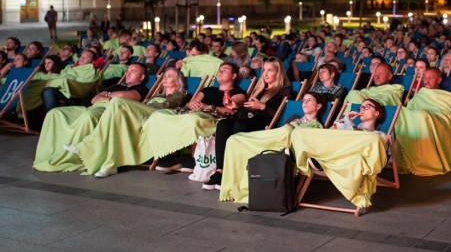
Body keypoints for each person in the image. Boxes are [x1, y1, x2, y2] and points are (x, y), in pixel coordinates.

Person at [60, 67, 191, 177]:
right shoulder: (157, 95)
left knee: (117, 102)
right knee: (115, 119)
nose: (165, 78)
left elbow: (165, 105)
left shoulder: (182, 93)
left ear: (178, 81)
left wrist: (142, 105)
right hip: (143, 112)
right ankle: (110, 164)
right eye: (164, 76)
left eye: (169, 76)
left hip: (156, 114)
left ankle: (87, 144)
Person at [33, 63, 149, 175]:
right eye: (128, 71)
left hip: (109, 112)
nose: (128, 73)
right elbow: (94, 99)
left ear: (141, 77)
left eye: (133, 71)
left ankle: (80, 154)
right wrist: (111, 96)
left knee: (88, 116)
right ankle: (51, 153)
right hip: (94, 107)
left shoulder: (142, 89)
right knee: (55, 113)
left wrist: (107, 96)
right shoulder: (117, 86)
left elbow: (125, 97)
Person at [202, 57, 292, 190]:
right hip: (249, 118)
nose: (265, 74)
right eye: (263, 70)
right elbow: (248, 109)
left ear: (278, 72)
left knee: (240, 126)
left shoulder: (284, 90)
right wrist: (236, 107)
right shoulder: (260, 88)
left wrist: (262, 106)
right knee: (223, 124)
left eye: (270, 70)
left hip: (266, 123)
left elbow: (280, 114)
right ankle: (220, 171)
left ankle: (234, 172)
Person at [151, 62, 248, 172]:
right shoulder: (207, 90)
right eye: (219, 69)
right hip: (195, 114)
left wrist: (208, 107)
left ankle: (193, 158)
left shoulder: (238, 92)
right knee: (161, 115)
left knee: (193, 119)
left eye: (224, 70)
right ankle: (172, 155)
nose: (220, 72)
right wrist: (192, 105)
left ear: (234, 76)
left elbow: (232, 110)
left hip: (214, 118)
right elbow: (190, 104)